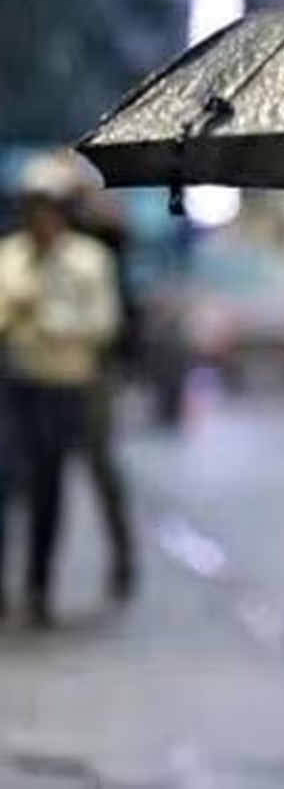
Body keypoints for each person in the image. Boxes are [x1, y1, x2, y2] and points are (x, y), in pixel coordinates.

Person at [0, 173, 121, 626]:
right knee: (7, 480)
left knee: (53, 486)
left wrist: (49, 317)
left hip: (68, 384)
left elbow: (104, 323)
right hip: (17, 380)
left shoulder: (87, 261)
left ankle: (39, 585)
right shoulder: (9, 258)